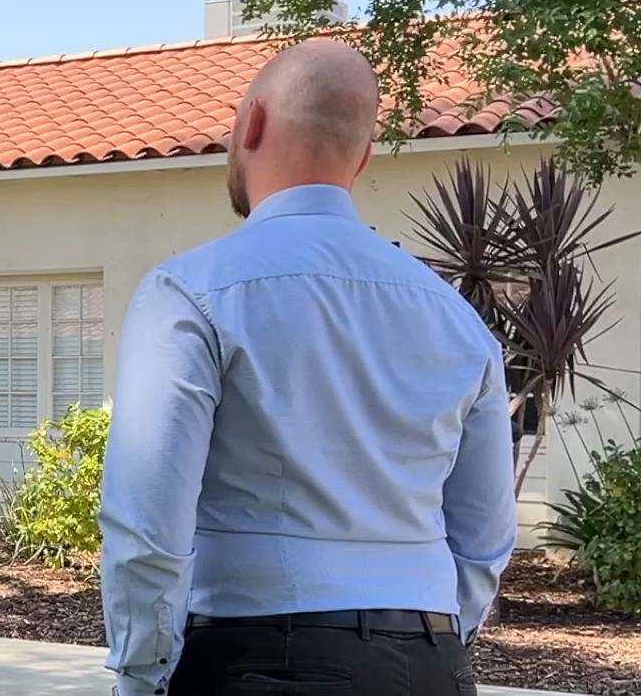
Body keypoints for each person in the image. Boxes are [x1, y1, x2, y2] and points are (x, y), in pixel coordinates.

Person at [98, 39, 517, 696]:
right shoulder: (458, 321)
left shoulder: (189, 293)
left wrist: (142, 672)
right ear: (363, 157)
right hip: (430, 667)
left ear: (253, 124)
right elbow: (485, 537)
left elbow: (147, 525)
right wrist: (420, 637)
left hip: (253, 658)